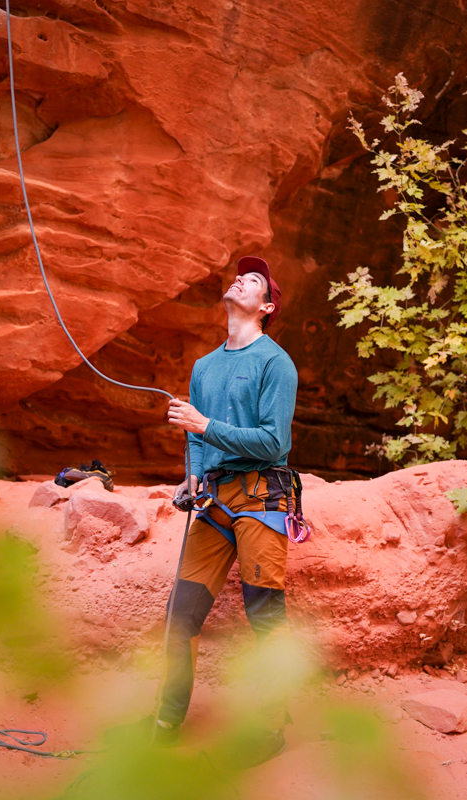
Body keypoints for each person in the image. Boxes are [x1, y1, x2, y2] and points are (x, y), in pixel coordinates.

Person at [148, 255, 299, 766]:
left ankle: (271, 727)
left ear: (266, 305)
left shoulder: (275, 363)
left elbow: (274, 440)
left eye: (253, 280)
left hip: (263, 498)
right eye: (239, 276)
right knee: (180, 614)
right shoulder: (204, 367)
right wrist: (191, 473)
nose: (240, 280)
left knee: (265, 617)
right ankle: (166, 719)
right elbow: (195, 439)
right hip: (213, 500)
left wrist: (204, 425)